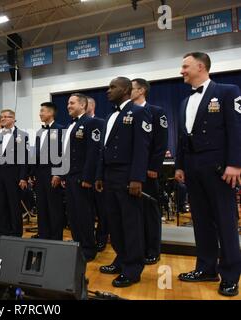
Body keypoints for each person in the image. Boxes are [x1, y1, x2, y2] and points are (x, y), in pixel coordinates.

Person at [175, 52, 241, 297]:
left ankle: (231, 275)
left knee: (225, 222)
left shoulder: (227, 91)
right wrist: (180, 166)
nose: (182, 71)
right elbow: (182, 138)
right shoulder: (184, 102)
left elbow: (236, 128)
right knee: (201, 222)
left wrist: (235, 164)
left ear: (200, 66)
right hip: (192, 169)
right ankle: (206, 268)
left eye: (185, 66)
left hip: (219, 169)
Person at [95, 77, 152, 288]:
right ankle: (121, 258)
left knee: (131, 224)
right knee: (115, 223)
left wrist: (137, 178)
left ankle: (133, 269)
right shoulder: (110, 116)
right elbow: (103, 150)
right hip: (109, 176)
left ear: (126, 90)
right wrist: (99, 175)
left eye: (113, 87)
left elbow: (141, 147)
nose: (108, 90)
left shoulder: (138, 112)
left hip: (127, 176)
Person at [131, 78, 169, 265]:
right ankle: (138, 248)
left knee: (150, 212)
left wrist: (154, 166)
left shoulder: (156, 112)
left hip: (148, 171)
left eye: (131, 88)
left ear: (141, 90)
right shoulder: (126, 113)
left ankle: (153, 249)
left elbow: (161, 143)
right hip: (129, 172)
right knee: (134, 213)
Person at [62, 93, 102, 261]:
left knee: (84, 215)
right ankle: (78, 245)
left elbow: (93, 153)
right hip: (70, 177)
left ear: (83, 105)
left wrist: (88, 177)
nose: (68, 106)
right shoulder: (72, 125)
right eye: (68, 103)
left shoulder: (91, 123)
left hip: (82, 178)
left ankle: (88, 249)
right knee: (73, 215)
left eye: (72, 103)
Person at [0, 109, 29, 242]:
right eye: (2, 117)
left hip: (14, 175)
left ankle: (16, 233)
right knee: (0, 204)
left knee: (14, 205)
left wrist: (23, 177)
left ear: (13, 119)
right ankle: (2, 233)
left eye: (6, 117)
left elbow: (24, 158)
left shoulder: (22, 135)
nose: (3, 119)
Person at [30, 102, 64, 240]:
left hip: (52, 173)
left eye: (42, 111)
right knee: (42, 206)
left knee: (54, 207)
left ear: (50, 113)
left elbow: (63, 153)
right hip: (40, 174)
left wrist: (58, 173)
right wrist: (32, 173)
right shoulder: (39, 132)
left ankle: (56, 237)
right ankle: (44, 235)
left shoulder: (61, 129)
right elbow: (36, 154)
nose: (40, 113)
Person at [87, 96, 108, 252]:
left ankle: (101, 238)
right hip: (82, 176)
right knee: (86, 210)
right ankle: (87, 238)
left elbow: (101, 150)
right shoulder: (74, 125)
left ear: (91, 106)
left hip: (97, 173)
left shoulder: (101, 123)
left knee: (101, 209)